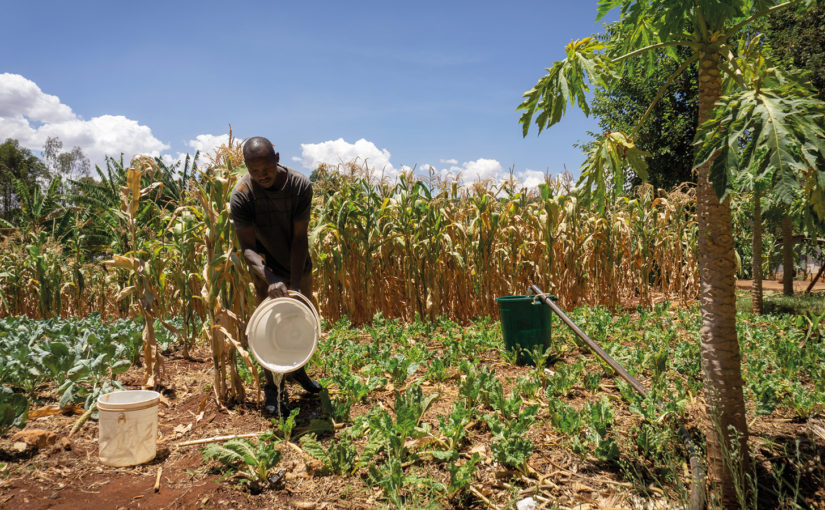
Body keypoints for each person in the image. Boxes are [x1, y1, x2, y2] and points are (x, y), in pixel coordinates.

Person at [230, 136, 322, 415]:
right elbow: (247, 248)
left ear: (277, 158)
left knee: (299, 320)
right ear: (246, 167)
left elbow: (299, 238)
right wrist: (271, 280)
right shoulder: (243, 194)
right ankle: (273, 388)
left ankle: (298, 371)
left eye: (266, 169)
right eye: (254, 171)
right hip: (265, 269)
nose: (261, 176)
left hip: (297, 264)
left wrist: (294, 287)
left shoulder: (299, 186)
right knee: (268, 328)